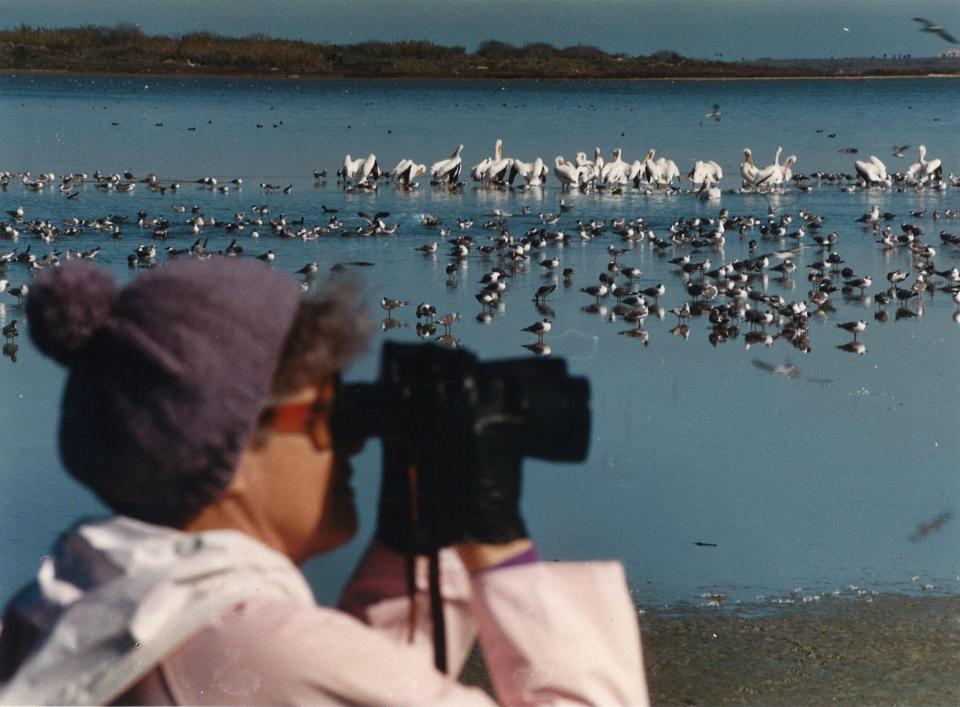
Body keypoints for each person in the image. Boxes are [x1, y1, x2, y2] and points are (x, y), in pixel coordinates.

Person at [0, 257, 648, 705]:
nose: (355, 439)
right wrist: (501, 544)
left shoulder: (78, 602)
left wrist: (416, 528)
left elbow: (354, 679)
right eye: (328, 416)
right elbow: (309, 668)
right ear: (227, 451)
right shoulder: (260, 649)